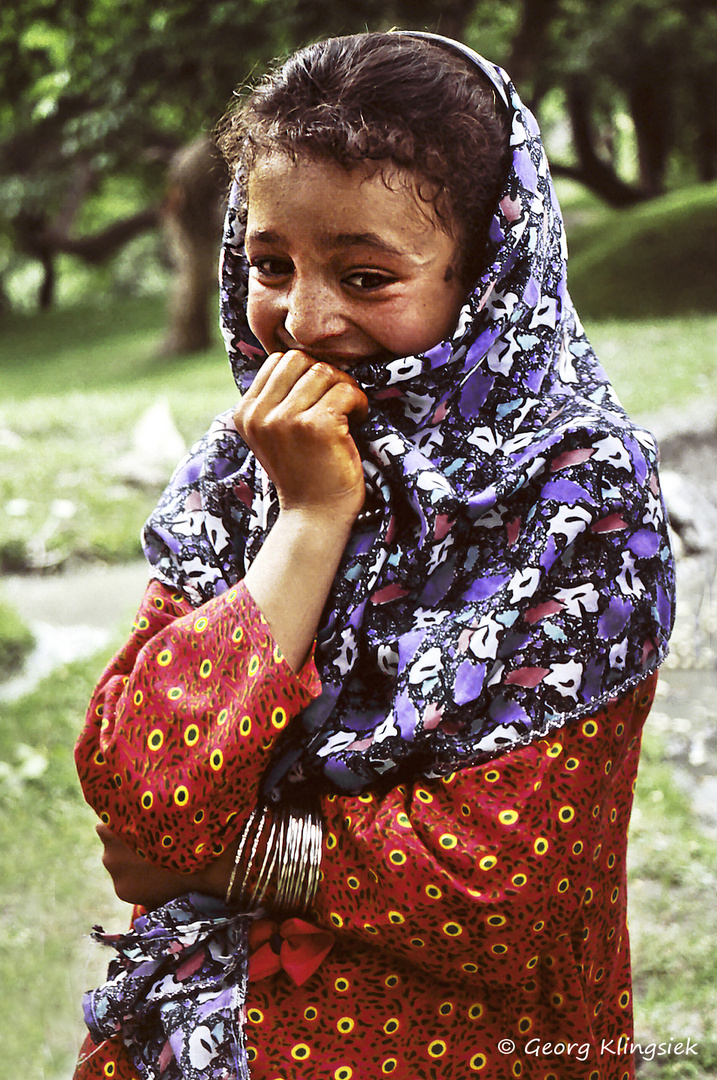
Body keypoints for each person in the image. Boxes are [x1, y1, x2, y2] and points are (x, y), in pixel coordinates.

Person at [72, 30, 675, 1080]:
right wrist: (308, 522)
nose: (302, 323)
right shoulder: (247, 463)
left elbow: (494, 891)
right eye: (270, 264)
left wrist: (224, 854)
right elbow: (141, 793)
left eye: (365, 274)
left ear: (488, 270)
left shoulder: (576, 493)